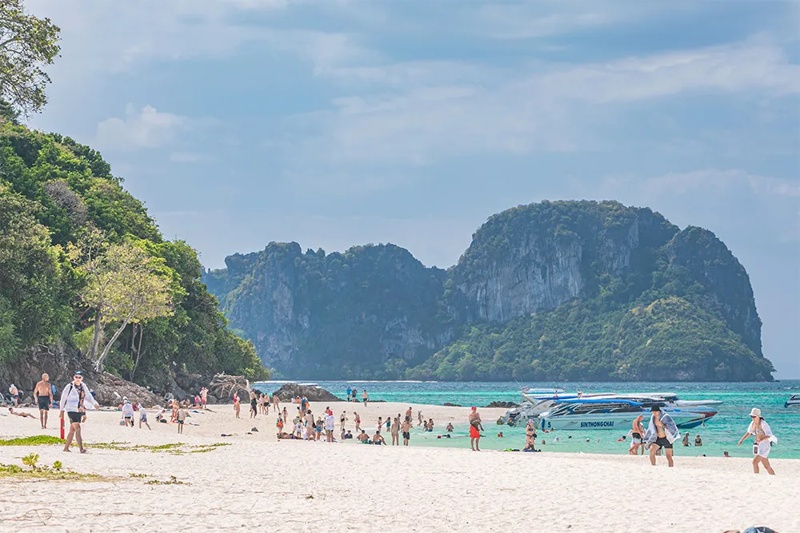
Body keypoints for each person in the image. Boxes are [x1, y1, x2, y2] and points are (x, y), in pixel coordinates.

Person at [59, 371, 98, 453]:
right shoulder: (69, 386)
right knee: (78, 428)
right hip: (70, 409)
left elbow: (88, 396)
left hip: (79, 409)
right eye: (76, 377)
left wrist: (94, 403)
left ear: (82, 378)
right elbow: (63, 398)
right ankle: (81, 448)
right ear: (74, 377)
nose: (78, 379)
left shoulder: (83, 386)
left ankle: (66, 448)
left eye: (79, 377)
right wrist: (61, 410)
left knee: (72, 430)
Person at [737, 408, 776, 475]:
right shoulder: (753, 423)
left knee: (754, 462)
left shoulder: (763, 424)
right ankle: (774, 477)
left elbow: (769, 435)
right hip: (758, 446)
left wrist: (761, 440)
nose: (752, 418)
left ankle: (756, 477)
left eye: (754, 416)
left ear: (758, 416)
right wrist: (741, 440)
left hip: (765, 446)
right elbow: (748, 432)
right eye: (751, 416)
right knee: (767, 466)